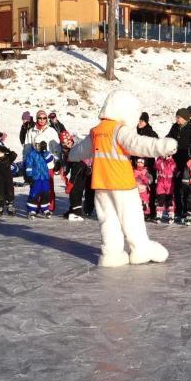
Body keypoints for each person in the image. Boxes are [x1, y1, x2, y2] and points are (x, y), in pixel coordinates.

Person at [66, 88, 177, 267]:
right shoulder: (119, 130)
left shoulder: (96, 131)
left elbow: (80, 150)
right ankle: (140, 248)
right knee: (131, 216)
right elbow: (138, 144)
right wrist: (161, 146)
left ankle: (112, 254)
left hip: (101, 184)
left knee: (108, 219)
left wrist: (70, 154)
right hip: (122, 183)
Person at [59, 131, 89, 221]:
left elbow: (78, 166)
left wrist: (71, 183)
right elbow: (66, 162)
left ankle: (77, 212)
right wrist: (64, 171)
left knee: (76, 188)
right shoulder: (66, 149)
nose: (67, 145)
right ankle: (73, 209)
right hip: (77, 165)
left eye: (68, 143)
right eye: (64, 144)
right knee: (73, 189)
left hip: (84, 166)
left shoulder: (78, 146)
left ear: (71, 140)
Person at [24, 141, 55, 218]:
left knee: (45, 193)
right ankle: (32, 210)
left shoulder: (45, 153)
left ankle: (45, 209)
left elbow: (50, 160)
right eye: (36, 145)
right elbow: (28, 166)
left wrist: (45, 151)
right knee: (34, 194)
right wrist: (29, 176)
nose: (38, 147)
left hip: (45, 177)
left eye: (40, 145)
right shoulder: (31, 154)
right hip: (36, 178)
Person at [154, 151, 177, 223]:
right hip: (161, 184)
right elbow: (156, 166)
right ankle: (159, 214)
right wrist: (161, 158)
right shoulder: (160, 162)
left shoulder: (173, 163)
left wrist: (170, 161)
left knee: (169, 201)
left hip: (170, 185)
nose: (167, 156)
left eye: (168, 155)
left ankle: (171, 215)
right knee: (160, 200)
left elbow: (175, 171)